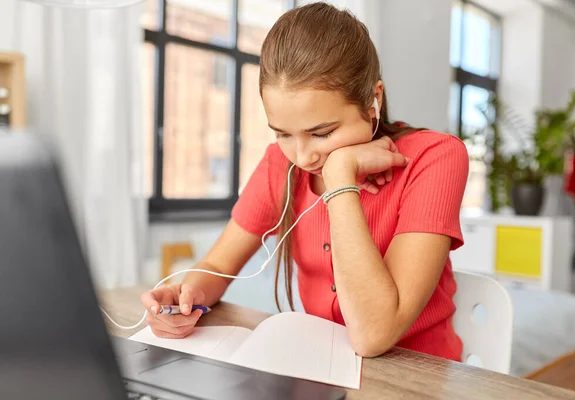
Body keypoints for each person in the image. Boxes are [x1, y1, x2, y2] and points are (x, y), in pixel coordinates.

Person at [141, 2, 469, 360]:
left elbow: (374, 334)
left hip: (420, 380)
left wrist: (340, 176)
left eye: (322, 133)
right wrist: (186, 298)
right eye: (283, 134)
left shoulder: (435, 158)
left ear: (373, 99)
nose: (303, 156)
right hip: (320, 367)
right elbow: (218, 266)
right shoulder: (280, 166)